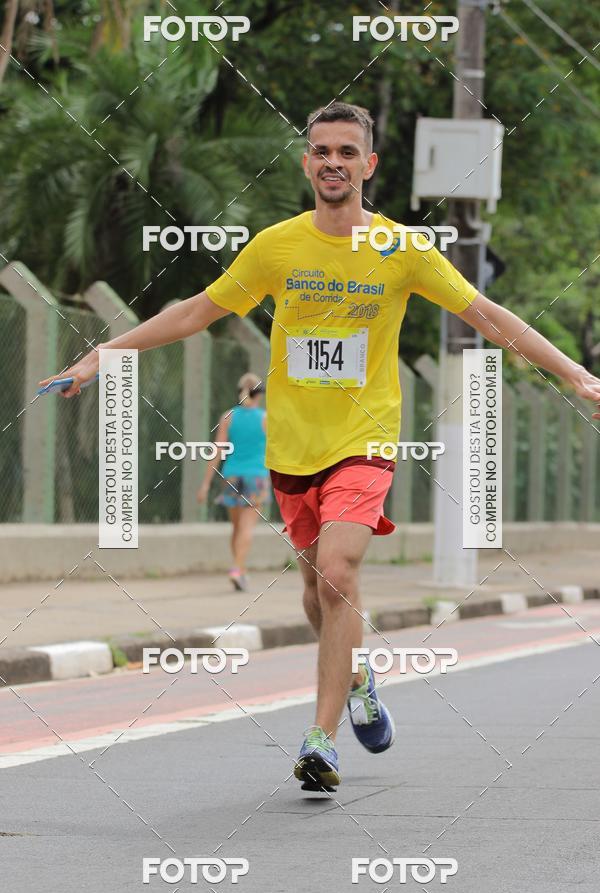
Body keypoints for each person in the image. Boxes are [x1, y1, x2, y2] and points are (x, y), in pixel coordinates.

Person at [41, 101, 600, 793]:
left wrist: (571, 371)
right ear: (308, 163)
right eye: (320, 151)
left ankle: (320, 741)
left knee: (337, 571)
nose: (333, 162)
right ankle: (360, 673)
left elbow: (485, 314)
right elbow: (196, 312)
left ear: (369, 165)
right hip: (292, 447)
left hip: (364, 440)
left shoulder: (402, 249)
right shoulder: (277, 246)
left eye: (346, 152)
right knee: (314, 588)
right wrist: (104, 354)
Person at [196, 372, 269, 592]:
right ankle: (237, 569)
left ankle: (240, 569)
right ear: (260, 395)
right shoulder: (266, 418)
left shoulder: (228, 416)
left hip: (232, 475)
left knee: (236, 528)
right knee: (247, 528)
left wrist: (206, 483)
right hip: (257, 476)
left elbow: (217, 450)